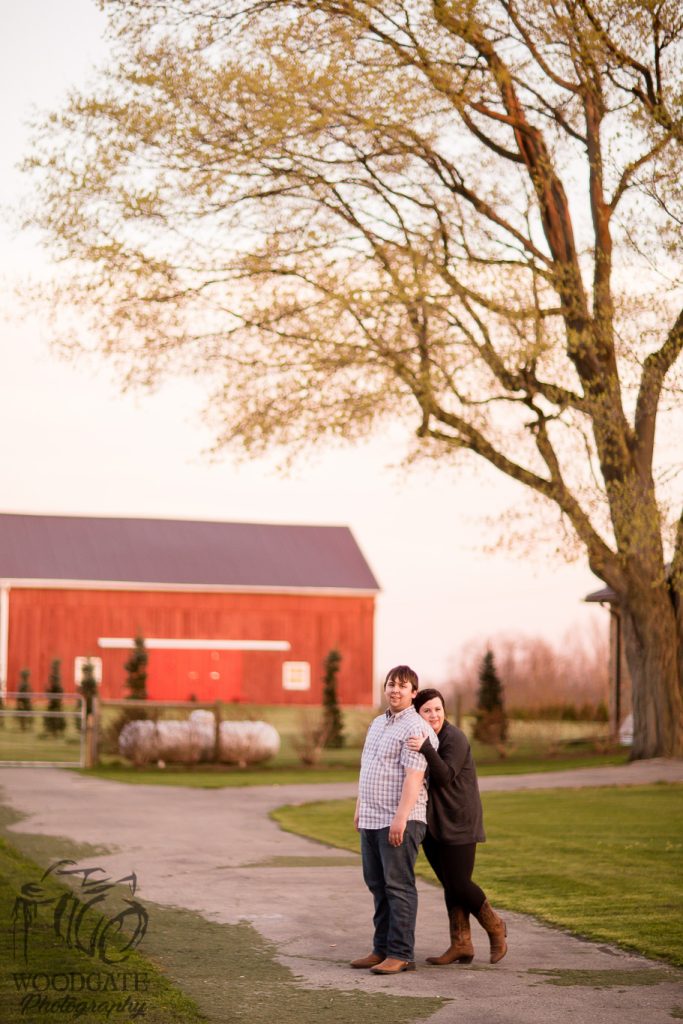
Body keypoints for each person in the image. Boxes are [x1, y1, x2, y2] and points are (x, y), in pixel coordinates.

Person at [407, 688, 507, 965]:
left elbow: (445, 777)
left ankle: (495, 925)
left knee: (460, 883)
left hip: (460, 821)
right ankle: (461, 943)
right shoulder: (422, 738)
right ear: (418, 714)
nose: (434, 715)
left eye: (438, 709)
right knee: (450, 885)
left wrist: (426, 747)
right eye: (427, 710)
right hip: (434, 823)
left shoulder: (454, 738)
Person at [351, 665, 437, 975]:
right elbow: (367, 768)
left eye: (403, 686)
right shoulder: (377, 723)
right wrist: (360, 806)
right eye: (391, 684)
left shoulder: (416, 728)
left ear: (414, 693)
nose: (395, 690)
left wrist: (400, 820)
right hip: (372, 818)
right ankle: (381, 949)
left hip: (400, 820)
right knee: (377, 885)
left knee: (398, 886)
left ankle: (401, 954)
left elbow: (414, 778)